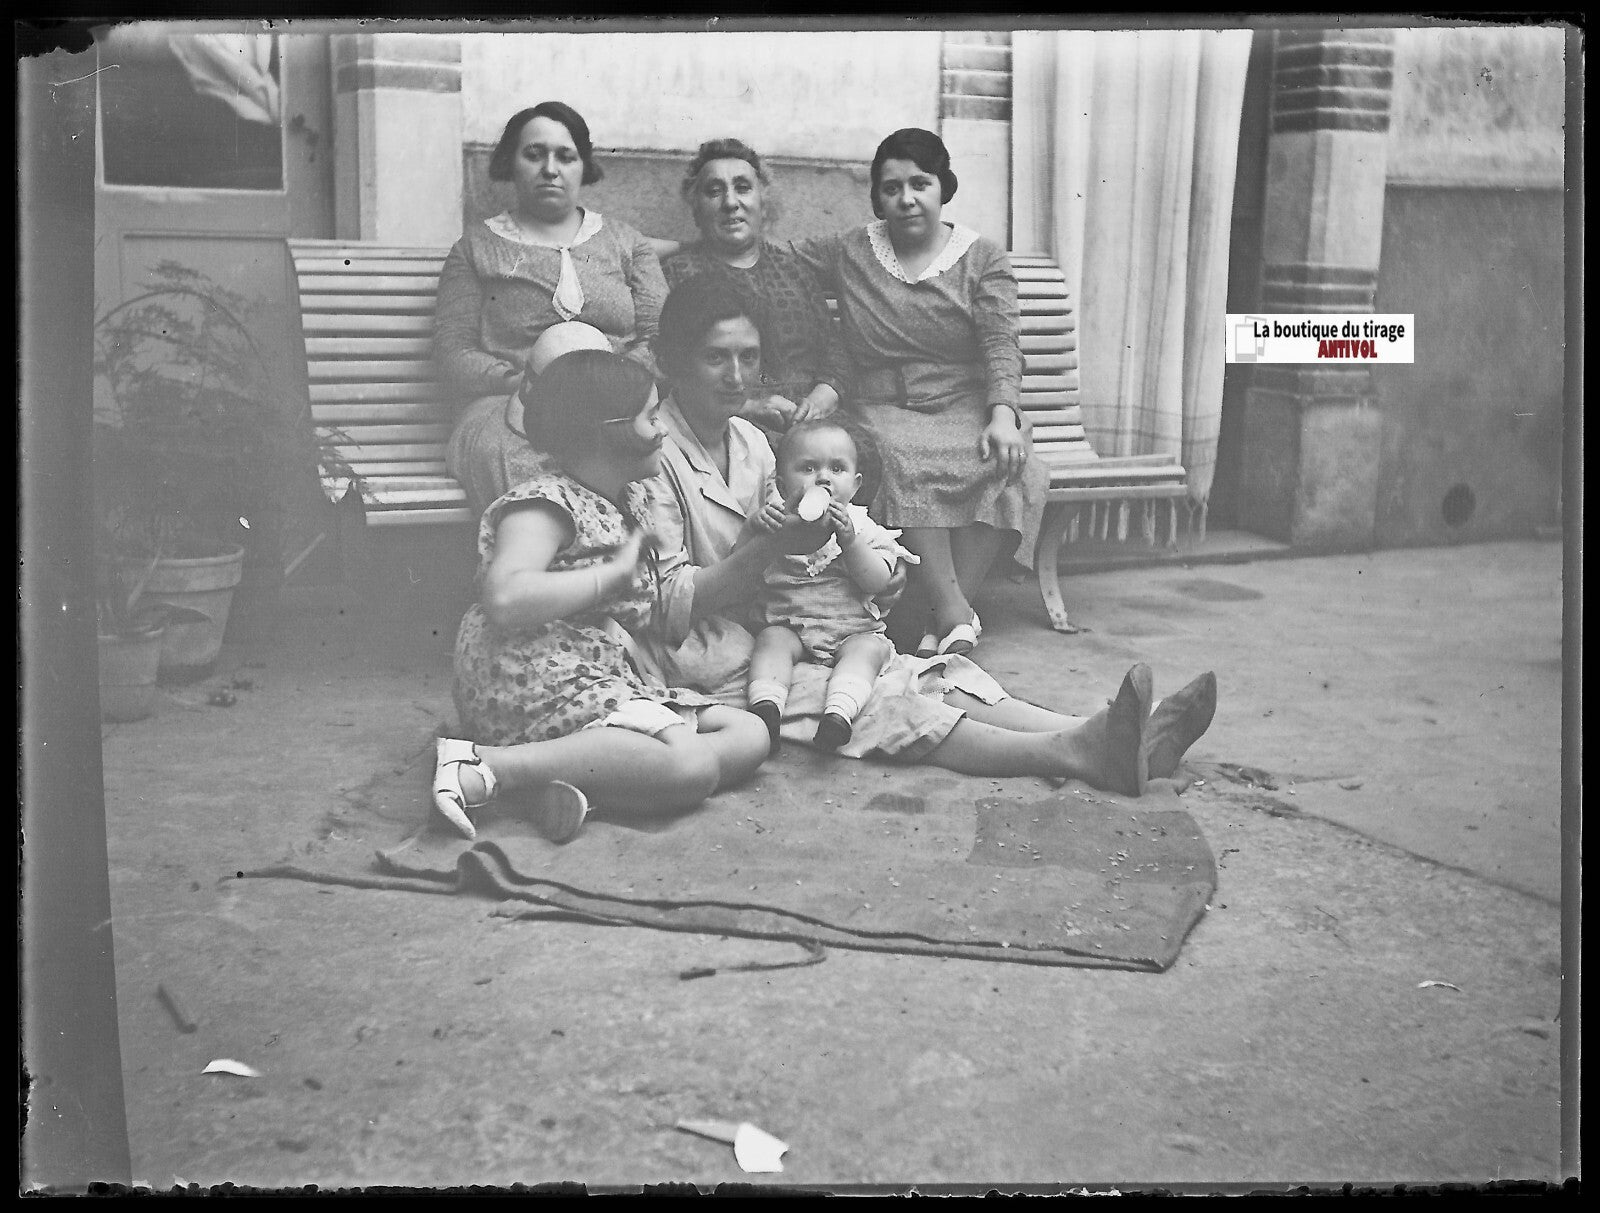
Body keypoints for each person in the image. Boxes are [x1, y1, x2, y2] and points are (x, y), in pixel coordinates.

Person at [634, 276, 1218, 794]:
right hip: (718, 657)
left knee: (927, 671)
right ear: (673, 360)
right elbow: (664, 604)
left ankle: (1118, 732)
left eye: (748, 357)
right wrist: (768, 550)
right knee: (888, 702)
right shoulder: (652, 454)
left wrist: (849, 557)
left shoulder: (750, 442)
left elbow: (816, 556)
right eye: (716, 358)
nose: (736, 377)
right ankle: (1079, 752)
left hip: (792, 624)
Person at [431, 334, 769, 842]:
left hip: (590, 675)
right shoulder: (542, 504)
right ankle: (485, 766)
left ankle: (573, 781)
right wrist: (607, 578)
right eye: (653, 418)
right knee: (692, 767)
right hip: (529, 681)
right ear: (608, 434)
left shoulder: (622, 499)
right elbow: (503, 599)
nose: (664, 433)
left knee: (749, 735)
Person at [792, 127, 1050, 661]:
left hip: (962, 401)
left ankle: (944, 611)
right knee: (901, 455)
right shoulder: (849, 250)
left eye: (920, 183)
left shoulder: (983, 259)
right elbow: (773, 261)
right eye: (891, 189)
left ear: (943, 187)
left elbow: (1001, 343)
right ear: (877, 198)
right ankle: (954, 613)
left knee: (1014, 463)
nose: (906, 199)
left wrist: (1002, 415)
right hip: (883, 405)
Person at [434, 101, 668, 515]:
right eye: (534, 154)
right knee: (519, 466)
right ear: (510, 163)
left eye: (565, 156)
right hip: (512, 405)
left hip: (619, 404)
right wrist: (532, 388)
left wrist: (614, 388)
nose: (550, 169)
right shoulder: (475, 248)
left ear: (583, 166)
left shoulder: (626, 243)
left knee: (658, 462)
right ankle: (546, 570)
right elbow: (455, 353)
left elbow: (660, 337)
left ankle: (644, 571)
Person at [745, 419, 913, 753]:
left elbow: (879, 582)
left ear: (855, 483)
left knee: (869, 652)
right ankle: (766, 708)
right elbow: (743, 569)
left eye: (837, 468)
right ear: (781, 482)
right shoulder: (777, 521)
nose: (823, 478)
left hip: (852, 629)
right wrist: (753, 532)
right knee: (770, 641)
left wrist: (850, 544)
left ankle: (839, 713)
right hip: (790, 624)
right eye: (808, 468)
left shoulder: (860, 526)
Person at [661, 138, 848, 437]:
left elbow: (835, 349)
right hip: (725, 426)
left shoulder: (794, 269)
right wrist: (743, 407)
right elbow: (667, 367)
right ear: (696, 209)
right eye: (713, 191)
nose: (730, 202)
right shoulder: (678, 274)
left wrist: (824, 396)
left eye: (743, 188)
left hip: (812, 424)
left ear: (763, 203)